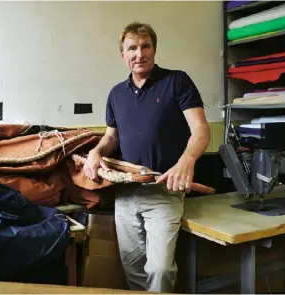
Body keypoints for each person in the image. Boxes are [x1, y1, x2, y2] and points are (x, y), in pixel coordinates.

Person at [83, 21, 210, 293]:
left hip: (164, 191)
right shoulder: (116, 94)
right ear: (123, 55)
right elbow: (112, 137)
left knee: (160, 269)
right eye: (132, 48)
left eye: (145, 46)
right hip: (126, 193)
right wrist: (95, 152)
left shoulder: (177, 81)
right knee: (133, 267)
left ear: (154, 49)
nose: (139, 54)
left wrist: (186, 161)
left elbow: (200, 128)